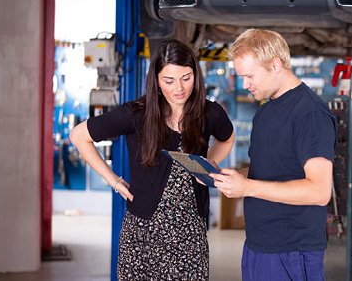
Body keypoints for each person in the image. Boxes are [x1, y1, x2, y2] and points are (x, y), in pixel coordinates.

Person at [69, 39, 234, 280]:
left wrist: (207, 167)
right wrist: (113, 181)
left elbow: (227, 139)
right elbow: (78, 136)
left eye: (186, 78)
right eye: (169, 81)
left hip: (190, 235)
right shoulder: (136, 113)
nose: (179, 88)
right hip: (141, 234)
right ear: (156, 81)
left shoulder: (210, 113)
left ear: (196, 76)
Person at [211, 29, 337, 281]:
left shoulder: (310, 114)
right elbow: (272, 170)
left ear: (275, 64)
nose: (245, 84)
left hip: (292, 250)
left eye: (249, 75)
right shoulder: (265, 111)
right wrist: (236, 178)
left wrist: (247, 187)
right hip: (258, 244)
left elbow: (319, 192)